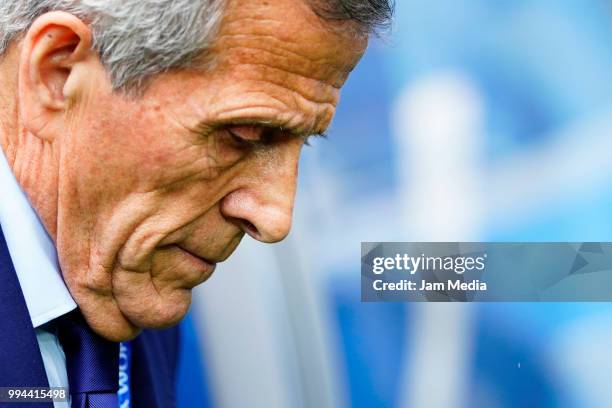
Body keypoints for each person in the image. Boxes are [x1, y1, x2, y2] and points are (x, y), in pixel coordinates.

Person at [0, 0, 393, 406]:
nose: (276, 218)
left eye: (303, 141)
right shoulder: (121, 243)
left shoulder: (124, 261)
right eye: (243, 135)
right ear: (57, 75)